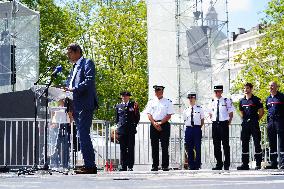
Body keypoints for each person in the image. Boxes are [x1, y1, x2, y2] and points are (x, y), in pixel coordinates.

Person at [65, 43, 98, 174]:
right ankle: (88, 164)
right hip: (75, 105)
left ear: (77, 51)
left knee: (83, 134)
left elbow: (89, 81)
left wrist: (74, 89)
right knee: (81, 135)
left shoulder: (87, 63)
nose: (68, 56)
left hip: (85, 104)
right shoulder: (74, 67)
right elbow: (69, 85)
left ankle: (90, 166)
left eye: (69, 53)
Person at [145, 85, 174, 171]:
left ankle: (165, 165)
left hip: (164, 124)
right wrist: (154, 123)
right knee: (154, 146)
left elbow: (169, 115)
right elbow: (149, 114)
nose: (157, 92)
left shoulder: (168, 102)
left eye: (159, 90)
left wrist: (160, 123)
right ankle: (155, 165)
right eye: (156, 90)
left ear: (162, 91)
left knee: (165, 146)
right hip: (154, 124)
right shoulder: (151, 102)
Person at [237, 83, 264, 170]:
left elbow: (261, 112)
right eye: (244, 88)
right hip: (245, 124)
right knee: (244, 143)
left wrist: (255, 120)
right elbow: (241, 113)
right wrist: (246, 120)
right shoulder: (241, 101)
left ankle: (258, 163)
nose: (245, 90)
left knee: (257, 143)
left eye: (247, 88)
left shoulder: (256, 100)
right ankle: (245, 164)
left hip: (254, 124)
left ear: (251, 89)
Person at [209, 85, 234, 170]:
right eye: (215, 91)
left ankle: (227, 164)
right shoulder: (212, 101)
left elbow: (231, 114)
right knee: (216, 145)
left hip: (224, 124)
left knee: (225, 145)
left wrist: (228, 123)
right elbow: (210, 113)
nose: (217, 93)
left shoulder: (226, 101)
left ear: (221, 92)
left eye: (218, 91)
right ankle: (219, 164)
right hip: (215, 124)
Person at [115, 91, 140, 171]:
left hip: (130, 129)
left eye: (126, 96)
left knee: (130, 148)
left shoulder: (133, 105)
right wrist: (118, 127)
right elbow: (117, 118)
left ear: (129, 97)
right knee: (122, 148)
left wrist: (134, 125)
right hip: (122, 130)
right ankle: (123, 166)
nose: (124, 97)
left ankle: (130, 166)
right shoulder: (118, 106)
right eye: (123, 96)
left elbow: (137, 117)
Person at [265, 81, 284, 169]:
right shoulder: (268, 99)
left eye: (272, 85)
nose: (271, 87)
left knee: (282, 143)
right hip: (271, 122)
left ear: (277, 87)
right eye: (269, 86)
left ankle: (283, 163)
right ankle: (273, 163)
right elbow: (267, 110)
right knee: (272, 143)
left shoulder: (281, 97)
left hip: (280, 121)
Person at [183, 93, 204, 170]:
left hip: (197, 129)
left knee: (198, 147)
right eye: (189, 98)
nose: (191, 99)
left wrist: (197, 127)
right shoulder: (186, 110)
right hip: (189, 129)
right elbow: (185, 119)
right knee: (189, 147)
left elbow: (202, 120)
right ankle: (191, 164)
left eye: (192, 98)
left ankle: (197, 164)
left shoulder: (199, 108)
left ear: (195, 99)